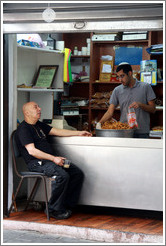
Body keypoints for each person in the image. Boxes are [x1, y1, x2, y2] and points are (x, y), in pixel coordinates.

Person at [15, 101, 92, 220]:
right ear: (27, 112)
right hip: (37, 163)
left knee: (76, 173)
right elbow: (32, 151)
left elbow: (58, 131)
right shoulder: (23, 129)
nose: (39, 109)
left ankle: (66, 205)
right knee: (62, 176)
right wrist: (54, 158)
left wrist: (79, 132)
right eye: (36, 107)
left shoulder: (39, 125)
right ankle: (53, 209)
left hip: (51, 161)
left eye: (38, 106)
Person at [97, 62, 156, 138]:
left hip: (142, 132)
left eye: (122, 76)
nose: (120, 80)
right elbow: (109, 112)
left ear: (130, 73)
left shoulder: (145, 87)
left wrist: (141, 105)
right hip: (124, 132)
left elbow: (153, 109)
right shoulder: (117, 90)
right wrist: (99, 123)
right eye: (118, 77)